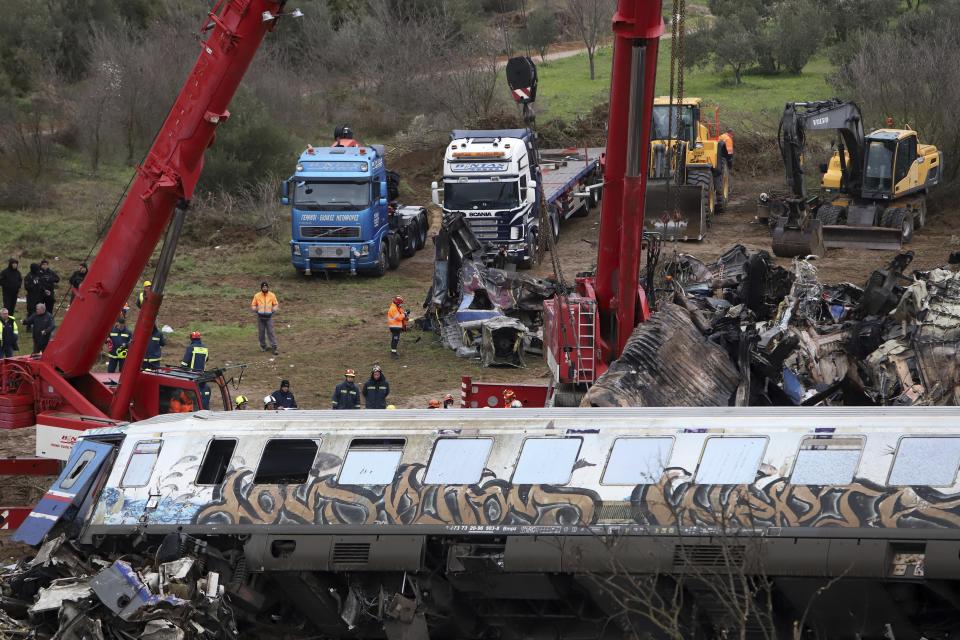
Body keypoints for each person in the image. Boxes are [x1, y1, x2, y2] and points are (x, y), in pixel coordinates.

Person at [251, 281, 279, 355]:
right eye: (263, 287)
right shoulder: (257, 295)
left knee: (271, 332)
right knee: (261, 333)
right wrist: (255, 309)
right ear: (261, 288)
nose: (264, 288)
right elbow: (253, 305)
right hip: (260, 317)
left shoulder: (272, 295)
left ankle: (274, 347)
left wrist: (274, 309)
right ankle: (263, 346)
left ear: (268, 287)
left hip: (269, 317)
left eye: (266, 287)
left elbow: (276, 304)